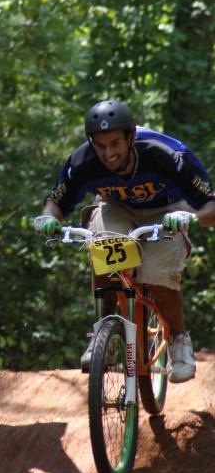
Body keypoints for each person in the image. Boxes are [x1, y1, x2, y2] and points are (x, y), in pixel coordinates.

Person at [34, 98, 215, 383]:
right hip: (115, 206)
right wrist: (47, 219)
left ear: (130, 137)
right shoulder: (84, 161)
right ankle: (102, 332)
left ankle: (179, 340)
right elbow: (56, 201)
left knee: (156, 274)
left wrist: (191, 218)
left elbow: (211, 207)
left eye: (115, 143)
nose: (108, 153)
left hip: (167, 210)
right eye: (100, 145)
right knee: (106, 245)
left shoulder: (167, 155)